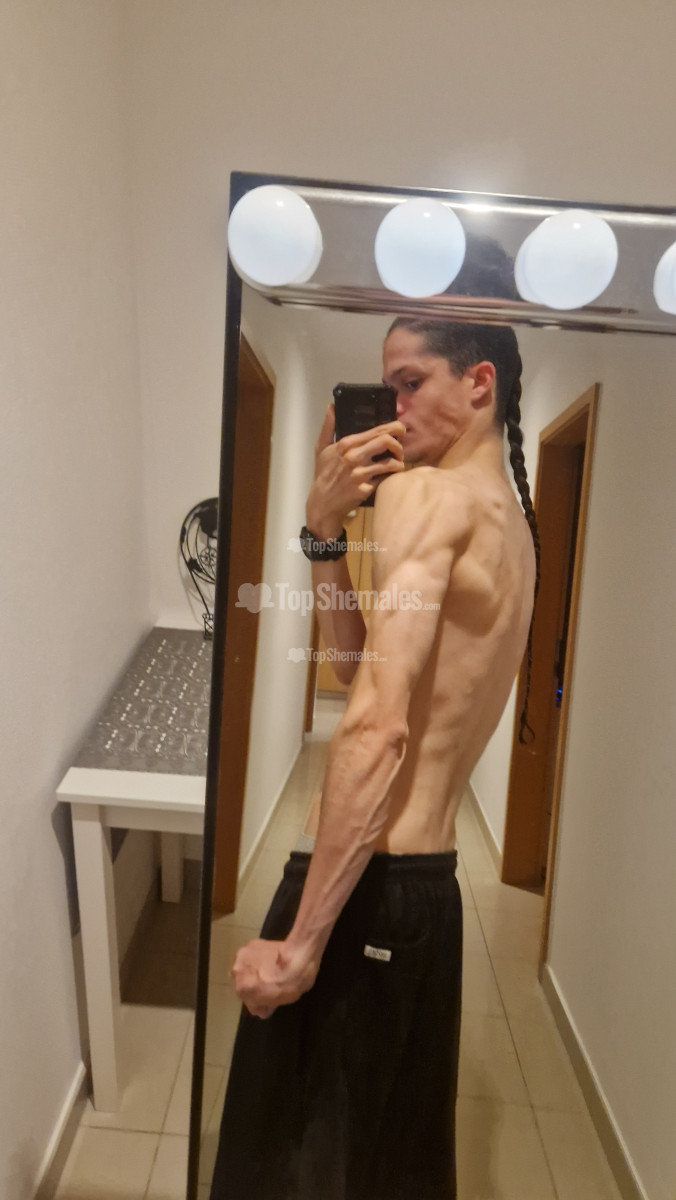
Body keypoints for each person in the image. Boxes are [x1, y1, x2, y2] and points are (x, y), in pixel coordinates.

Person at [208, 313, 540, 1200]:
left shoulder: (427, 497)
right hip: (426, 893)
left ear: (479, 382)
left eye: (410, 382)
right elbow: (356, 665)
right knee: (386, 1163)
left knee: (294, 1165)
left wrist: (301, 944)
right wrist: (323, 534)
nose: (392, 406)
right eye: (387, 386)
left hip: (366, 885)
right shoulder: (511, 522)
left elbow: (375, 726)